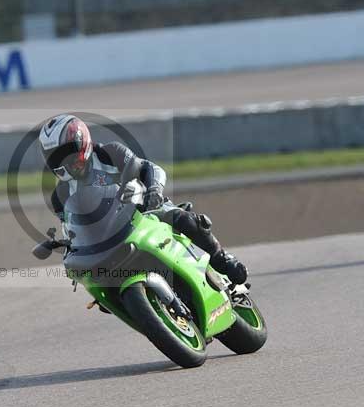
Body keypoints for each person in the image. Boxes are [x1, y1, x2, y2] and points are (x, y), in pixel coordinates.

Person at [38, 113, 248, 285]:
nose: (64, 160)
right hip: (107, 241)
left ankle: (222, 259)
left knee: (181, 218)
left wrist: (153, 191)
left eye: (67, 152)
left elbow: (148, 168)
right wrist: (67, 245)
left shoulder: (109, 153)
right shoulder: (60, 195)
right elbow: (70, 227)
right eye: (56, 156)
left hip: (143, 211)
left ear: (82, 142)